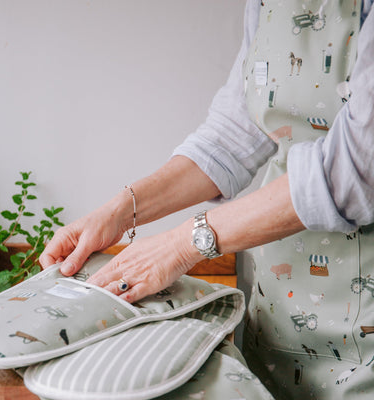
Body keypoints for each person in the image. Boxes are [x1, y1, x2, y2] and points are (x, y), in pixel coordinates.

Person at [40, 0, 374, 398]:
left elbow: (356, 168)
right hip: (282, 302)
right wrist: (119, 212)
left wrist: (183, 244)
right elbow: (233, 136)